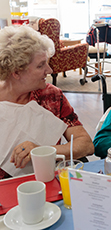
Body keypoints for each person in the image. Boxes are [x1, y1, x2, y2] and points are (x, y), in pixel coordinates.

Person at [0, 25, 94, 179]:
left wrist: (42, 151)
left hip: (47, 179)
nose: (50, 70)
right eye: (40, 65)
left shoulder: (51, 96)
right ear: (16, 72)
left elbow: (86, 145)